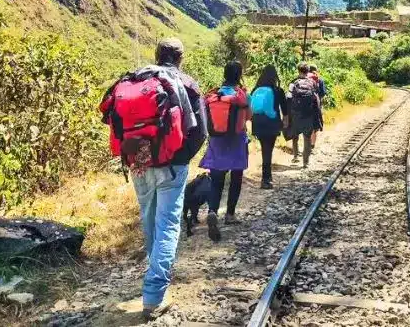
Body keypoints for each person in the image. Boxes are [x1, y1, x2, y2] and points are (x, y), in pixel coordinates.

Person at [101, 38, 207, 320]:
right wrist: (179, 156)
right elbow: (201, 132)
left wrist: (143, 154)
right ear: (180, 58)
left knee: (149, 220)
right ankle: (154, 295)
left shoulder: (137, 79)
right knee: (167, 224)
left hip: (138, 163)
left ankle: (153, 279)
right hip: (172, 165)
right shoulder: (186, 83)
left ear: (157, 55)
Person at [201, 61, 251, 242]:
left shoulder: (214, 95)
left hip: (217, 142)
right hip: (237, 141)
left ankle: (213, 210)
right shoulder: (242, 95)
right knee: (236, 179)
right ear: (239, 75)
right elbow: (249, 116)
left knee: (216, 181)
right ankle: (230, 215)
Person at [250, 65, 288, 189]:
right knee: (268, 150)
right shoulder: (278, 91)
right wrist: (285, 123)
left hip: (258, 123)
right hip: (272, 123)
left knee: (264, 148)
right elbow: (285, 109)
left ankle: (267, 177)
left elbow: (251, 107)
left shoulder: (256, 90)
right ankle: (266, 179)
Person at [288, 62, 320, 168]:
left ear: (298, 70)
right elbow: (316, 99)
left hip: (296, 114)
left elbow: (288, 98)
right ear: (308, 71)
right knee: (307, 138)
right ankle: (305, 162)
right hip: (308, 115)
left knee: (295, 136)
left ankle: (295, 156)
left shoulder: (293, 83)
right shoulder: (313, 83)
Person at [307, 64, 326, 147]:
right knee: (315, 126)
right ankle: (312, 144)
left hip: (305, 105)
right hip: (316, 105)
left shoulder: (304, 79)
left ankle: (307, 143)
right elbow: (323, 93)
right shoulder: (319, 79)